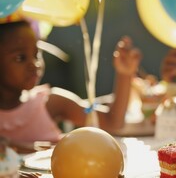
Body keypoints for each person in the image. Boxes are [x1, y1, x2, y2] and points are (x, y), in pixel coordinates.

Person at [0, 16, 142, 147]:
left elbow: (112, 121)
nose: (34, 64)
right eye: (20, 58)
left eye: (36, 54)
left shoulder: (52, 102)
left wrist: (124, 74)